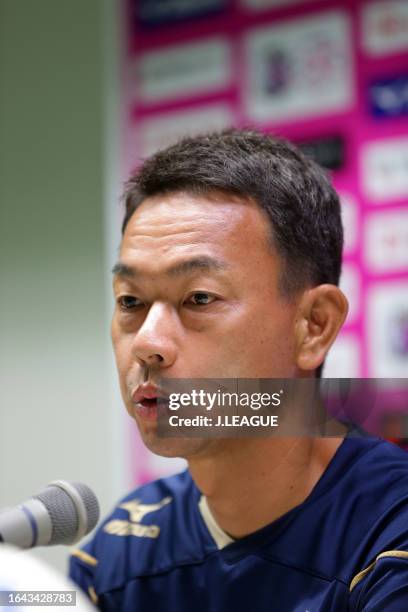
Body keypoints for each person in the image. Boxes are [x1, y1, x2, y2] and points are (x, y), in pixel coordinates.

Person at [69, 129, 408, 610]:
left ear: (313, 325)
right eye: (131, 301)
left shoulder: (391, 534)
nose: (147, 342)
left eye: (199, 298)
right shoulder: (118, 552)